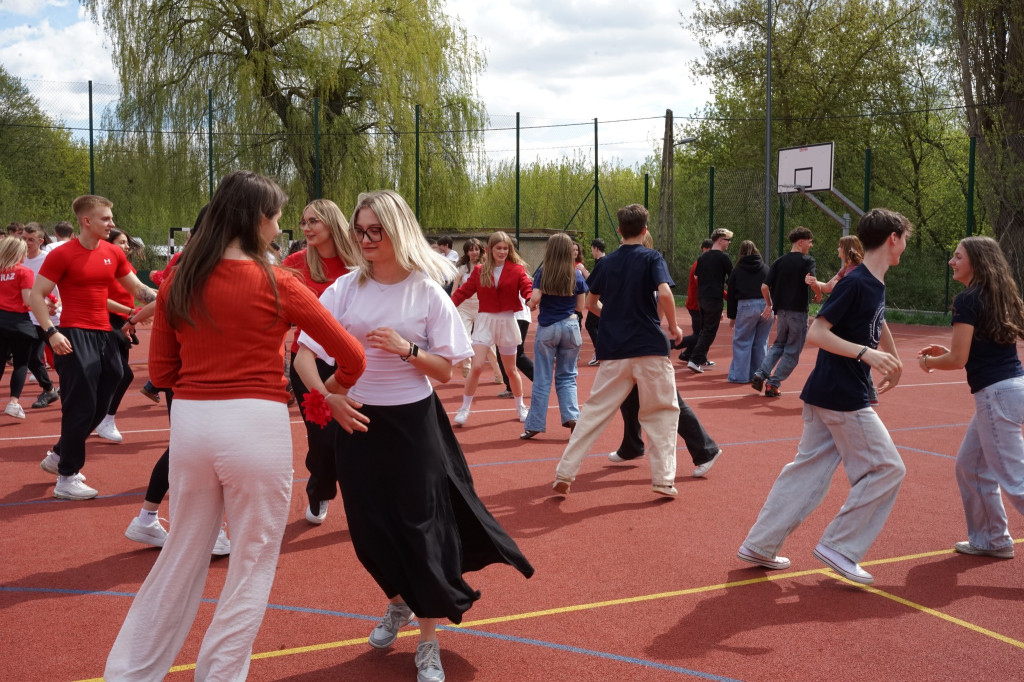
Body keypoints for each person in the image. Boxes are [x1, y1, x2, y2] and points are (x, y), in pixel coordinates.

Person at [104, 170, 366, 681]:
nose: (280, 226)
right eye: (275, 216)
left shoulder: (180, 279)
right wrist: (333, 390)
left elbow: (161, 374)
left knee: (182, 554)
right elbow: (350, 353)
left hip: (193, 423)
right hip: (255, 423)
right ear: (256, 220)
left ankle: (131, 672)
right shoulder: (279, 281)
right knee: (251, 562)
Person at [293, 189, 534, 682]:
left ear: (397, 230)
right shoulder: (343, 290)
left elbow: (446, 369)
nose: (365, 239)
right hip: (356, 421)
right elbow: (303, 355)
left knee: (420, 529)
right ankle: (398, 601)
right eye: (359, 231)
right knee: (368, 532)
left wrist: (407, 350)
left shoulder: (426, 290)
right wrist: (326, 398)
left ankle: (428, 640)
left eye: (374, 231)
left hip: (413, 423)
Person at [737, 208, 911, 586]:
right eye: (905, 240)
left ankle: (760, 545)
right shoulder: (856, 282)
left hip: (828, 392)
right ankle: (840, 547)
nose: (904, 248)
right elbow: (818, 333)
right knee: (888, 468)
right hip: (841, 396)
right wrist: (868, 355)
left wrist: (891, 359)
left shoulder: (872, 283)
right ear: (893, 237)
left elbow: (875, 321)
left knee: (806, 473)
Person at [31, 195, 157, 500]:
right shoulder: (62, 255)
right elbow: (36, 295)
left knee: (109, 393)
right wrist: (51, 333)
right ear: (86, 221)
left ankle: (60, 454)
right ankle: (67, 477)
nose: (112, 223)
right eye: (106, 219)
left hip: (104, 334)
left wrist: (171, 294)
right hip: (73, 334)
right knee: (80, 405)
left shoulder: (113, 253)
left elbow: (138, 290)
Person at [552, 204, 682, 496]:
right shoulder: (652, 257)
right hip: (650, 347)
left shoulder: (606, 263)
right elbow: (664, 292)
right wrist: (673, 327)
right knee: (661, 414)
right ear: (645, 230)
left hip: (615, 350)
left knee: (594, 413)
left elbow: (589, 303)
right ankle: (663, 479)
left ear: (619, 230)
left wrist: (610, 314)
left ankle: (565, 471)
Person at [917, 236, 1024, 560]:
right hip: (1012, 388)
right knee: (970, 466)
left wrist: (929, 362)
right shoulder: (1001, 296)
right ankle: (992, 539)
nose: (952, 261)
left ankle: (992, 538)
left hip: (996, 396)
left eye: (958, 257)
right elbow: (978, 351)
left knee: (1016, 481)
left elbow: (958, 360)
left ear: (975, 262)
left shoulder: (967, 300)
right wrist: (945, 352)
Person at [282, 199, 358, 526]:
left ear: (332, 224)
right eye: (304, 221)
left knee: (360, 438)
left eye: (314, 221)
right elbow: (276, 318)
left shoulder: (359, 261)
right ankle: (320, 488)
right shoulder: (294, 264)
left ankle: (368, 504)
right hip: (308, 363)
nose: (307, 228)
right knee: (324, 441)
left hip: (353, 362)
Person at [450, 231, 532, 425]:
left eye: (505, 248)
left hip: (507, 321)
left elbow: (526, 286)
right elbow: (463, 292)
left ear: (509, 250)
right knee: (476, 366)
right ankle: (464, 409)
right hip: (485, 321)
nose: (502, 252)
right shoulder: (479, 270)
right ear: (490, 249)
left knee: (511, 370)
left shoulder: (517, 270)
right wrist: (447, 306)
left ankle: (521, 407)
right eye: (498, 248)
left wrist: (530, 298)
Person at [520, 233, 587, 439]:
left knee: (542, 378)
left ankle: (535, 424)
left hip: (548, 328)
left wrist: (529, 303)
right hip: (570, 326)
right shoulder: (576, 274)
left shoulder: (543, 273)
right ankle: (572, 417)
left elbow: (535, 299)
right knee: (568, 376)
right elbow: (580, 306)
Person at [751, 226, 820, 397]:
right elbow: (812, 281)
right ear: (801, 242)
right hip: (798, 312)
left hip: (781, 312)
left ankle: (760, 373)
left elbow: (764, 286)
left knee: (779, 345)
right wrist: (818, 294)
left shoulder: (779, 262)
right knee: (792, 350)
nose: (810, 246)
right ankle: (772, 384)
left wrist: (770, 304)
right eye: (809, 243)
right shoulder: (807, 260)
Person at [93, 227, 143, 443]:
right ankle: (104, 418)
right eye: (122, 242)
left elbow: (139, 291)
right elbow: (100, 299)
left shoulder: (126, 267)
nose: (126, 246)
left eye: (127, 243)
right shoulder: (103, 267)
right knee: (123, 374)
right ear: (108, 244)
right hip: (106, 321)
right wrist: (131, 313)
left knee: (117, 374)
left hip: (122, 323)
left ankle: (101, 417)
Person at [20, 223, 60, 408]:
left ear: (40, 241)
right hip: (30, 318)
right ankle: (49, 390)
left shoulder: (48, 259)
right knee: (33, 358)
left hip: (52, 317)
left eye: (30, 240)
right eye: (23, 239)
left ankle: (73, 387)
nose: (26, 243)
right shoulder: (19, 260)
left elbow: (59, 285)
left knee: (63, 358)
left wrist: (55, 303)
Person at [454, 237, 503, 383]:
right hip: (464, 307)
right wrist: (452, 306)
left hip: (482, 307)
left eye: (476, 249)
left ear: (481, 250)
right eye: (471, 250)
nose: (474, 252)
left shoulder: (487, 267)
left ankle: (499, 374)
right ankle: (467, 363)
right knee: (464, 335)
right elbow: (455, 289)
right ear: (467, 253)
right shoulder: (462, 269)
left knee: (488, 343)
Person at [0, 237, 36, 419]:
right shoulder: (24, 272)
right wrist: (45, 303)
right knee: (21, 363)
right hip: (18, 323)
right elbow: (28, 300)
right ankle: (13, 402)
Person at [726, 240, 772, 383]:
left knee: (742, 341)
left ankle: (739, 376)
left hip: (746, 306)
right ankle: (758, 375)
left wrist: (732, 316)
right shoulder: (766, 268)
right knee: (761, 342)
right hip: (765, 305)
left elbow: (731, 295)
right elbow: (773, 288)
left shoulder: (737, 270)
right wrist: (772, 307)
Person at [584, 237, 606, 365]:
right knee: (599, 326)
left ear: (596, 248)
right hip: (606, 299)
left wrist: (582, 271)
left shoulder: (601, 263)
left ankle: (600, 352)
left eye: (592, 249)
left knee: (590, 324)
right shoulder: (608, 261)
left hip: (598, 300)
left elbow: (592, 281)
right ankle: (602, 351)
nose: (592, 252)